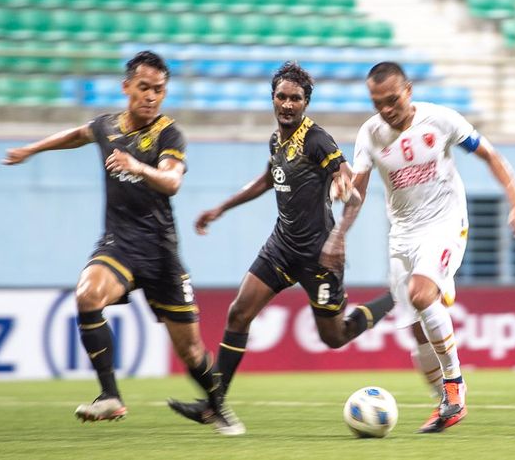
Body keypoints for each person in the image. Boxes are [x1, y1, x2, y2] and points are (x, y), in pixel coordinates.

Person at [2, 51, 244, 435]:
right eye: (144, 87)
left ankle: (217, 409)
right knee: (87, 294)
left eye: (159, 90)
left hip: (161, 254)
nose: (150, 96)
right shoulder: (106, 127)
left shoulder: (169, 133)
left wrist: (138, 167)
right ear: (126, 87)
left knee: (191, 352)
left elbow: (172, 181)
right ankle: (110, 396)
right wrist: (32, 149)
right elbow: (77, 135)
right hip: (119, 245)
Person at [167, 61, 395, 429]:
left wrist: (338, 235)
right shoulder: (277, 140)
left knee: (335, 336)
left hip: (320, 255)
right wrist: (221, 208)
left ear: (306, 103)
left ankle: (394, 297)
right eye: (282, 97)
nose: (287, 104)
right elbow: (267, 179)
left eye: (296, 99)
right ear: (272, 98)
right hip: (281, 247)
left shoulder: (318, 139)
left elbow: (350, 191)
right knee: (239, 312)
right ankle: (215, 405)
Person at [324, 61, 515, 433]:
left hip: (444, 224)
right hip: (402, 234)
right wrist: (339, 232)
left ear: (408, 90)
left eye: (392, 99)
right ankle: (444, 403)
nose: (386, 109)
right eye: (378, 103)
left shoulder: (441, 120)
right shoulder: (370, 134)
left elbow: (491, 155)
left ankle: (455, 390)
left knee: (422, 296)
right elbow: (356, 192)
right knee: (417, 330)